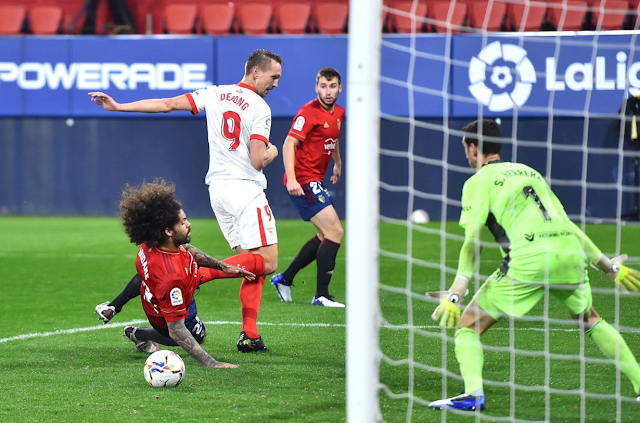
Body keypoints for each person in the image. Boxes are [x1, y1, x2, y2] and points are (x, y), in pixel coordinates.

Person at [428, 119, 640, 411]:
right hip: (568, 254)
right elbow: (568, 224)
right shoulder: (530, 172)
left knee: (467, 324)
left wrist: (458, 288)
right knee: (590, 319)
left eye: (465, 147)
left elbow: (473, 240)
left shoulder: (477, 182)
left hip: (529, 257)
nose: (465, 153)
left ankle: (473, 395)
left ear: (474, 148)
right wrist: (606, 265)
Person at [89, 49, 283, 352]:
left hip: (218, 190)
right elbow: (258, 160)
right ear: (256, 72)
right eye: (274, 77)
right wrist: (273, 151)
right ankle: (192, 273)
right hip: (245, 189)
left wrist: (118, 106)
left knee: (252, 263)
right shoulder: (260, 108)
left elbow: (167, 104)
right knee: (268, 262)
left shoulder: (215, 93)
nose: (276, 84)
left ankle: (250, 335)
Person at [115, 179, 257, 367]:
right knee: (193, 336)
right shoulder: (171, 277)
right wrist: (211, 362)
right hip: (164, 309)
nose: (188, 224)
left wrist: (222, 266)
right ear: (168, 231)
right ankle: (138, 334)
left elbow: (187, 249)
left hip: (162, 292)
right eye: (182, 222)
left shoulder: (154, 242)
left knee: (198, 333)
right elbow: (176, 330)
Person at [270, 68, 346, 308]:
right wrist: (291, 179)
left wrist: (337, 162)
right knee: (335, 233)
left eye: (332, 86)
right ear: (316, 88)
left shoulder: (339, 113)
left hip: (317, 178)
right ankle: (321, 295)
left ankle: (285, 279)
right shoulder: (308, 112)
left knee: (325, 235)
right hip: (303, 179)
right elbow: (288, 144)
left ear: (339, 88)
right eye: (323, 86)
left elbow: (331, 139)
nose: (328, 91)